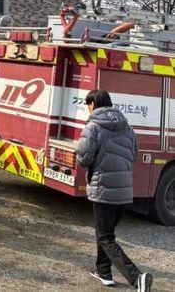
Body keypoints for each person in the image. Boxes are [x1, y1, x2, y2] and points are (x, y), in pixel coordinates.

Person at [76, 90, 152, 291]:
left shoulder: (93, 127)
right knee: (105, 234)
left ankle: (137, 278)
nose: (88, 109)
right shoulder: (127, 127)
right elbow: (133, 154)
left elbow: (84, 158)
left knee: (105, 238)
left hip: (104, 190)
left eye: (88, 104)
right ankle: (104, 272)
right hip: (125, 193)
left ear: (93, 104)